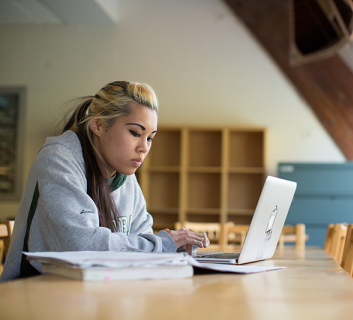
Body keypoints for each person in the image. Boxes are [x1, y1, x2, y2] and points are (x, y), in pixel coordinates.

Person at [0, 81, 209, 282]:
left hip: (97, 292)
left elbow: (141, 240)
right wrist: (161, 245)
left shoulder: (126, 176)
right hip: (35, 296)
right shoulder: (58, 158)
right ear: (98, 125)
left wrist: (174, 247)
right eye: (135, 133)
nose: (144, 147)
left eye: (150, 138)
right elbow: (80, 247)